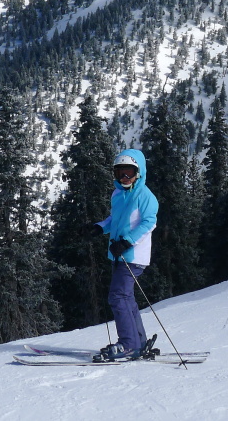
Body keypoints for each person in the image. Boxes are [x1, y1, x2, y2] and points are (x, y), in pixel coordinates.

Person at [85, 149, 158, 361]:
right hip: (118, 255)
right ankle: (138, 342)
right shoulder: (118, 194)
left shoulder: (145, 196)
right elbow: (113, 219)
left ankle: (129, 345)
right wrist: (99, 228)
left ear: (139, 172)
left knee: (118, 296)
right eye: (120, 173)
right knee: (125, 297)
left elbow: (149, 223)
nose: (124, 178)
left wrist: (127, 241)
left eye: (129, 173)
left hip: (133, 255)